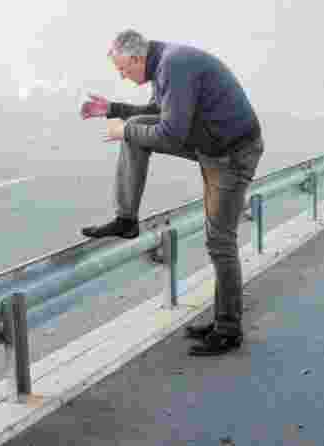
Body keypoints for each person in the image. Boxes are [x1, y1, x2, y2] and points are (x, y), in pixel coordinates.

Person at [80, 29, 263, 356]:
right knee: (136, 130)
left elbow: (171, 134)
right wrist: (114, 110)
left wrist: (125, 128)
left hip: (232, 155)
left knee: (220, 241)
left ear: (137, 58)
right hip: (210, 145)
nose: (122, 76)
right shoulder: (164, 64)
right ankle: (126, 218)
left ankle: (228, 329)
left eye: (123, 69)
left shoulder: (174, 66)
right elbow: (157, 112)